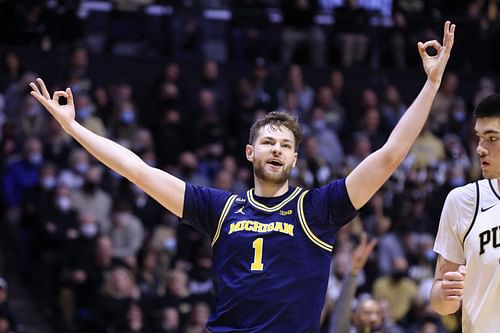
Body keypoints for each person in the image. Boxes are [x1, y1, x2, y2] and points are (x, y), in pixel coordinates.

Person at [30, 21, 455, 333]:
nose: (277, 149)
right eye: (269, 142)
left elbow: (388, 156)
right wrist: (74, 128)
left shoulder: (318, 209)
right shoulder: (220, 208)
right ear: (250, 152)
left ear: (294, 158)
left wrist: (431, 84)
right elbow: (137, 170)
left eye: (286, 145)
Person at [431, 92, 500, 333]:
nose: (481, 149)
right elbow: (440, 298)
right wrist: (447, 294)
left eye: (492, 138)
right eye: (479, 138)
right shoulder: (463, 201)